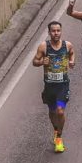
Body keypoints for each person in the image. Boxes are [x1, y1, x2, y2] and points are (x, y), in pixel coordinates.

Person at [33, 22, 75, 153]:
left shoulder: (67, 45)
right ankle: (56, 130)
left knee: (60, 111)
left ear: (61, 31)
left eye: (58, 30)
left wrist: (72, 61)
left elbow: (72, 53)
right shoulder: (43, 46)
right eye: (53, 31)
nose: (56, 33)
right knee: (52, 112)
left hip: (63, 85)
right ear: (49, 32)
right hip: (49, 86)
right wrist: (41, 62)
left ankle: (59, 138)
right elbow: (34, 61)